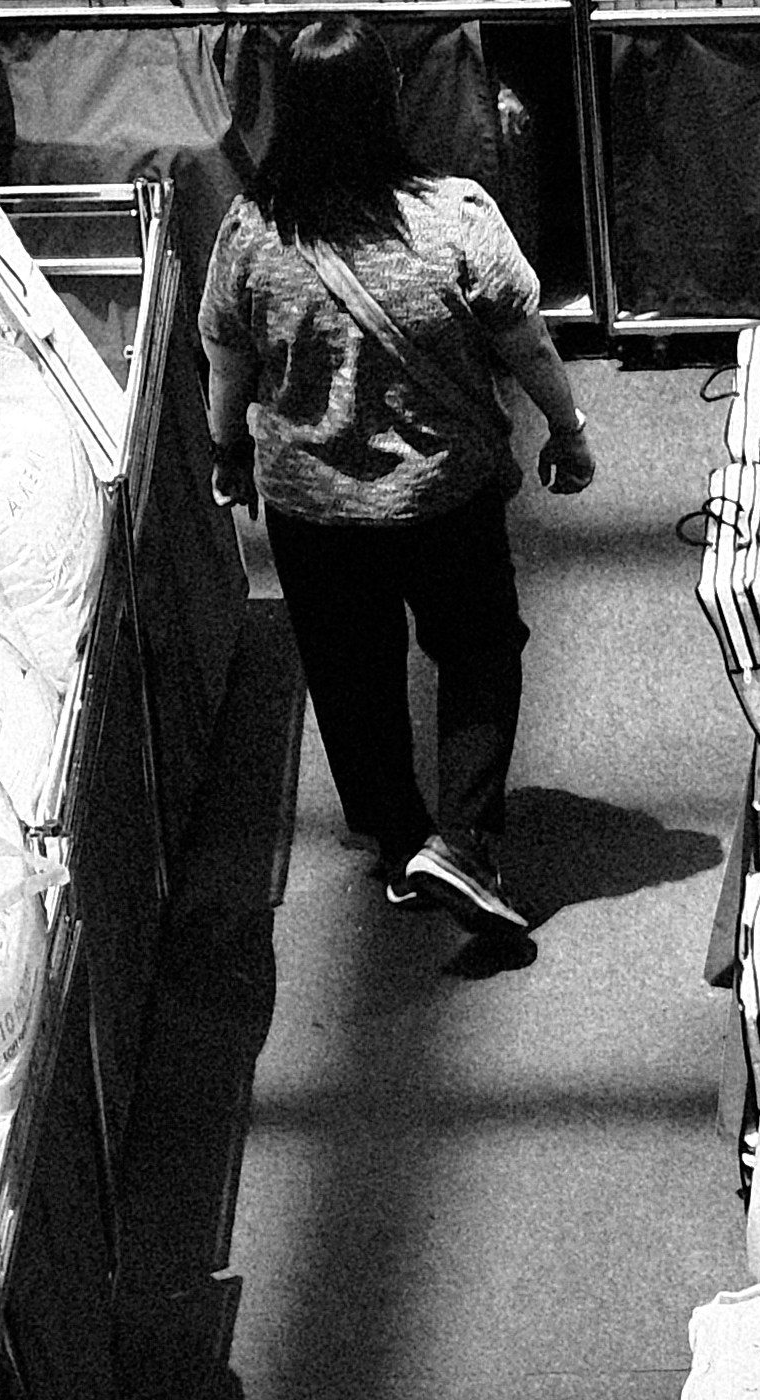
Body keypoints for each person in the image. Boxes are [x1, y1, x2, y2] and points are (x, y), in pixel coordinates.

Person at [198, 16, 594, 947]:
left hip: (311, 509)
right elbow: (527, 342)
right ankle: (465, 840)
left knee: (350, 675)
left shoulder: (252, 232)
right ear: (391, 100)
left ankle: (400, 843)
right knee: (480, 648)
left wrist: (227, 450)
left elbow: (225, 357)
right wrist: (567, 430)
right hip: (442, 496)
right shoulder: (455, 215)